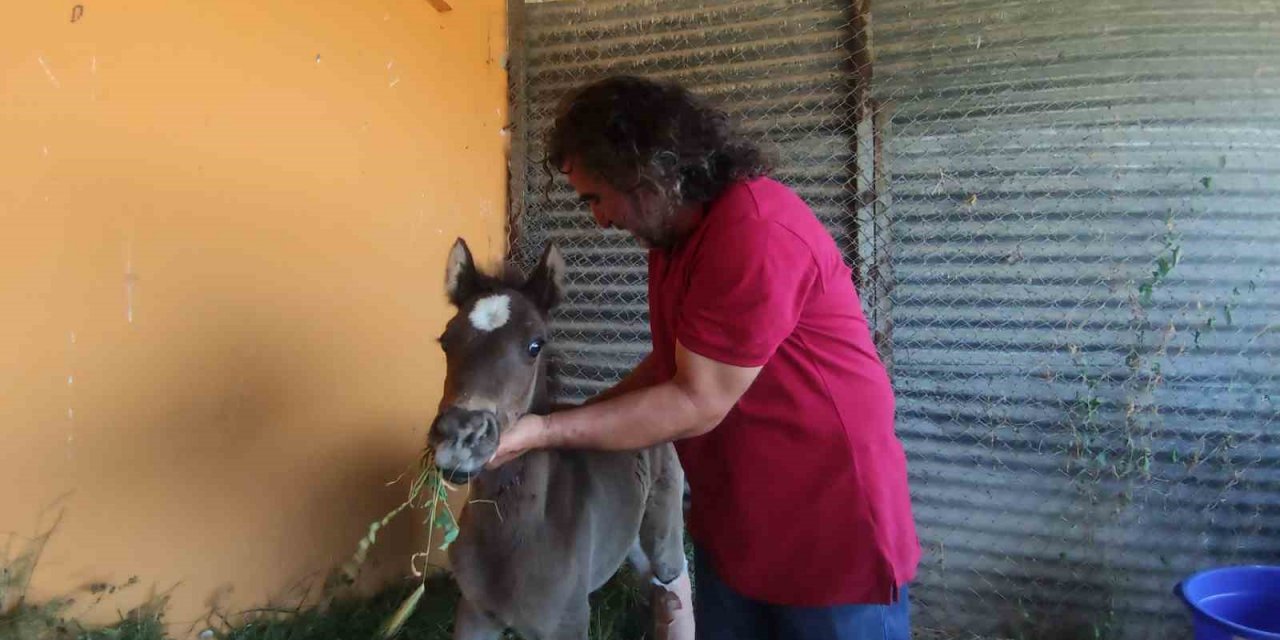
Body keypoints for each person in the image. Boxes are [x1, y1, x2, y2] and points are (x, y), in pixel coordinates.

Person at [488, 75, 920, 640]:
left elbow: (695, 400)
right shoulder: (673, 242)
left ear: (639, 173)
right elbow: (671, 368)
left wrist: (548, 431)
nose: (596, 219)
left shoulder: (754, 233)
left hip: (828, 536)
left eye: (595, 198)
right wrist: (570, 420)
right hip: (740, 527)